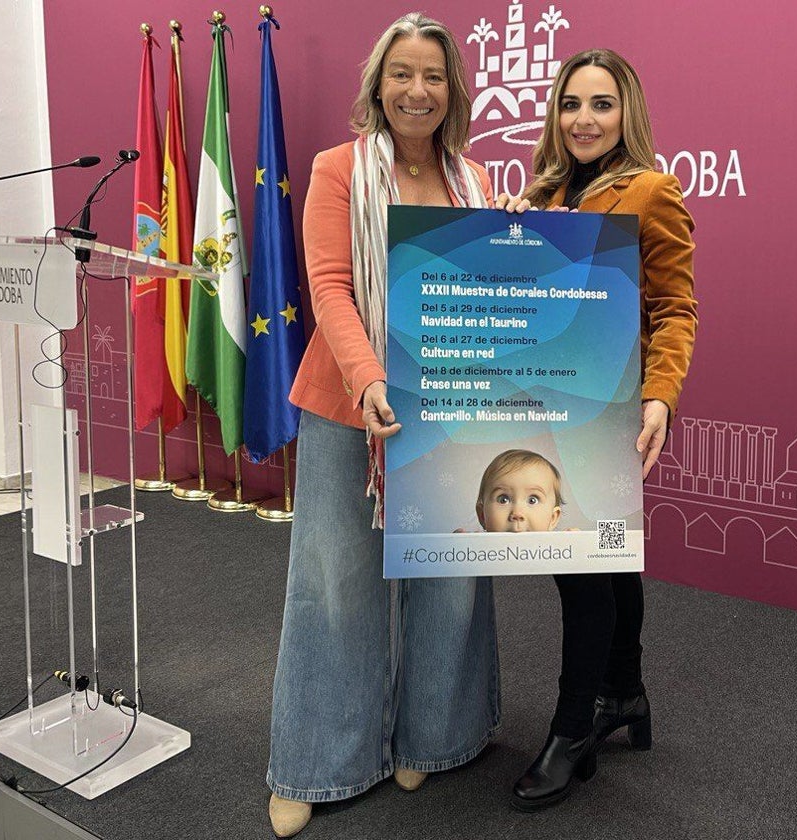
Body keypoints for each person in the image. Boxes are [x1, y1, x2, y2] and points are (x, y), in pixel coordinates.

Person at [266, 13, 497, 838]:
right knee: (336, 584)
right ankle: (318, 762)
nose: (417, 90)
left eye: (433, 76)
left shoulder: (478, 185)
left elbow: (497, 299)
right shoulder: (338, 170)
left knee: (451, 578)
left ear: (453, 90)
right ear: (377, 85)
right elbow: (328, 285)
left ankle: (437, 737)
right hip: (345, 405)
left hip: (451, 411)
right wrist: (368, 381)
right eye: (402, 73)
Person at [497, 48, 697, 811]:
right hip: (542, 400)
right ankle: (626, 691)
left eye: (602, 104)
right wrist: (505, 231)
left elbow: (677, 309)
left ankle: (574, 727)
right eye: (572, 103)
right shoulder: (541, 189)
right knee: (609, 556)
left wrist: (661, 398)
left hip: (608, 406)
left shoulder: (652, 190)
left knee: (581, 564)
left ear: (627, 113)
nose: (584, 118)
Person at [476, 449, 564, 533]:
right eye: (503, 500)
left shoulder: (561, 547)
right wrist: (465, 543)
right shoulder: (474, 547)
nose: (517, 513)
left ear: (552, 518)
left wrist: (574, 543)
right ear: (482, 515)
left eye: (532, 500)